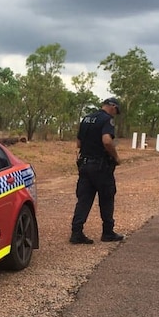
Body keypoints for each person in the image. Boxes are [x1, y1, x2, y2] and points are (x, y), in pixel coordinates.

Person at [69, 97, 125, 244]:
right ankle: (108, 232)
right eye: (116, 110)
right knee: (107, 198)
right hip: (101, 166)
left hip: (85, 164)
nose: (115, 114)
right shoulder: (107, 120)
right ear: (112, 106)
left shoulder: (87, 118)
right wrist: (116, 157)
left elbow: (79, 143)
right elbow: (107, 140)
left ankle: (76, 232)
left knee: (84, 199)